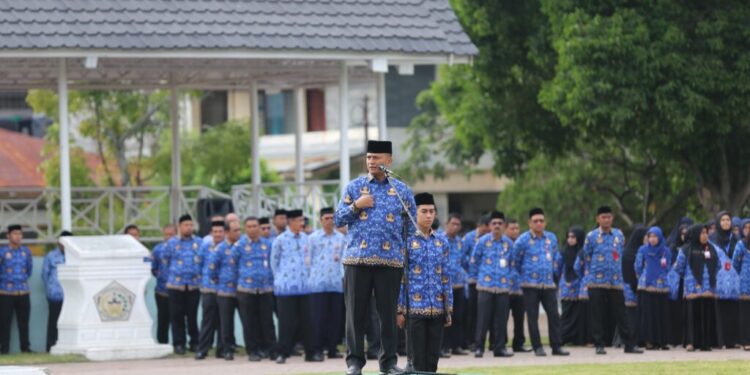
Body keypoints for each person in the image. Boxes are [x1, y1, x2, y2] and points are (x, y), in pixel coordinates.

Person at [334, 140, 416, 375]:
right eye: (369, 158)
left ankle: (388, 363)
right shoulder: (354, 187)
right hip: (357, 261)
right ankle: (354, 363)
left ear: (388, 161)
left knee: (388, 315)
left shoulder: (401, 191)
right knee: (355, 315)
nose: (371, 162)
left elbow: (410, 228)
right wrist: (356, 206)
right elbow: (338, 219)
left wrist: (407, 255)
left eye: (377, 158)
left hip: (390, 262)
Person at [396, 193, 452, 372]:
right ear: (414, 212)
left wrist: (448, 307)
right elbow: (400, 279)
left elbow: (446, 276)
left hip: (436, 308)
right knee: (416, 360)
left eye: (431, 211)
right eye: (424, 211)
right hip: (414, 310)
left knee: (433, 359)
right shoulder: (405, 240)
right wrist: (399, 309)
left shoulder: (441, 241)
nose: (429, 215)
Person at [581, 206, 643, 355]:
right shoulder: (591, 236)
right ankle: (599, 344)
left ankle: (629, 345)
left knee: (622, 313)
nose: (606, 220)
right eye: (603, 217)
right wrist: (591, 276)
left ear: (612, 218)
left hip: (615, 281)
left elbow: (619, 253)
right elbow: (586, 256)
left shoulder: (619, 235)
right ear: (598, 219)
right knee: (597, 314)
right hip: (596, 281)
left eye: (609, 217)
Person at [511, 208, 568, 357]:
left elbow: (556, 257)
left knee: (554, 315)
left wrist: (555, 275)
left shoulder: (551, 238)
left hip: (548, 283)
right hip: (530, 285)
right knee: (532, 317)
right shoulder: (522, 240)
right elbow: (515, 262)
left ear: (545, 222)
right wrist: (523, 278)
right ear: (530, 223)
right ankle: (538, 347)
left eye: (541, 221)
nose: (539, 223)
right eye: (535, 221)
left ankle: (556, 346)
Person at [271, 209, 315, 364]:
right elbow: (274, 262)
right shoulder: (280, 240)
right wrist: (280, 279)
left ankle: (311, 353)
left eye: (303, 220)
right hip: (286, 287)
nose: (302, 223)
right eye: (299, 220)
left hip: (305, 287)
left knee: (307, 321)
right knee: (286, 322)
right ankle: (282, 353)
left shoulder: (307, 239)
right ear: (290, 222)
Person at [669, 224, 722, 351]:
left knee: (706, 315)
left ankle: (705, 342)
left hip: (708, 288)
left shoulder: (711, 248)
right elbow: (678, 268)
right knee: (692, 316)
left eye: (706, 233)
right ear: (696, 234)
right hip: (692, 288)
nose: (705, 236)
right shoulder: (687, 249)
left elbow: (718, 265)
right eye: (702, 233)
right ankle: (690, 342)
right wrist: (689, 278)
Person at [469, 211, 514, 358]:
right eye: (494, 223)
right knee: (483, 319)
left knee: (501, 319)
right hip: (485, 286)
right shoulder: (482, 241)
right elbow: (474, 262)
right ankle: (479, 348)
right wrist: (477, 280)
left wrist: (509, 280)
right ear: (489, 226)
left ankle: (499, 348)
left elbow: (513, 264)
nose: (497, 226)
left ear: (504, 226)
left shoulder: (509, 243)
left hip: (502, 287)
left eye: (500, 223)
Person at [308, 207, 347, 360]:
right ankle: (317, 349)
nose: (330, 221)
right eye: (326, 218)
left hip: (336, 283)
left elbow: (344, 260)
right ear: (320, 220)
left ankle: (332, 348)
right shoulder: (313, 238)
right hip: (318, 284)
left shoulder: (341, 238)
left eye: (332, 218)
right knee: (318, 319)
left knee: (335, 319)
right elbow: (308, 260)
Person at [237, 217, 277, 361]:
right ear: (245, 228)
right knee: (249, 323)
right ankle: (253, 351)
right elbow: (233, 265)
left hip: (265, 289)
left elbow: (273, 263)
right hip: (246, 289)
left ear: (259, 228)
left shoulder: (268, 244)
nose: (252, 229)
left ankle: (271, 350)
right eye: (249, 226)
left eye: (255, 226)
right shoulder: (239, 245)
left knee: (267, 322)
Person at [164, 214, 203, 355]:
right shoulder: (172, 243)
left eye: (190, 225)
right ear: (180, 227)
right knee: (176, 315)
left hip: (193, 285)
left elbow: (203, 260)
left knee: (192, 316)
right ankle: (179, 344)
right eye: (186, 225)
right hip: (176, 285)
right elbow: (165, 261)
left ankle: (195, 343)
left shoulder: (199, 242)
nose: (189, 227)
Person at [209, 220, 243, 360]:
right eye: (235, 230)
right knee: (226, 323)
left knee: (247, 321)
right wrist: (221, 281)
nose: (238, 233)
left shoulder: (242, 246)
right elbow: (212, 269)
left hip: (242, 290)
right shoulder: (220, 248)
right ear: (228, 232)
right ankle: (226, 349)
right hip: (225, 291)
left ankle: (254, 347)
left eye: (239, 230)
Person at [634, 226, 671, 350]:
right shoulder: (643, 250)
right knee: (648, 315)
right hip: (646, 286)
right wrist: (644, 278)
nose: (653, 239)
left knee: (661, 314)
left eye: (655, 236)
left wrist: (661, 278)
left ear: (660, 237)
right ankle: (649, 340)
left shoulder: (666, 251)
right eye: (650, 236)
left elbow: (668, 267)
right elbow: (637, 267)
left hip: (662, 286)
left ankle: (662, 341)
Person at [195, 220, 226, 359]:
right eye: (215, 232)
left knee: (223, 321)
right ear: (211, 233)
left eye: (220, 231)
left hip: (225, 290)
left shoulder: (229, 247)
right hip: (209, 289)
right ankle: (203, 349)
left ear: (224, 233)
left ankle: (222, 349)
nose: (218, 234)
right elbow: (199, 264)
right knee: (208, 321)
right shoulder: (205, 246)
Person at [0, 224, 33, 354]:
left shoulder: (26, 251)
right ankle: (4, 349)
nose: (18, 236)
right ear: (8, 236)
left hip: (23, 291)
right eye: (14, 234)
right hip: (5, 292)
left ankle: (25, 348)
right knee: (4, 322)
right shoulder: (2, 252)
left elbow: (29, 270)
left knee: (24, 322)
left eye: (20, 234)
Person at [709, 211, 740, 349]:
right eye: (723, 220)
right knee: (719, 310)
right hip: (718, 279)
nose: (726, 222)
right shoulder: (712, 239)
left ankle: (731, 341)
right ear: (718, 222)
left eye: (728, 219)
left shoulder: (736, 239)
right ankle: (719, 340)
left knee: (732, 310)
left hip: (733, 280)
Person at [461, 213, 490, 350]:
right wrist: (470, 268)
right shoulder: (469, 237)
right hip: (473, 280)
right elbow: (462, 256)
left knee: (484, 313)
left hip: (487, 281)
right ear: (480, 225)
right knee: (472, 312)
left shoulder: (490, 238)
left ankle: (484, 341)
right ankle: (470, 341)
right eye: (486, 226)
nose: (487, 229)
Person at [441, 213, 467, 356]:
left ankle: (456, 346)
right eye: (453, 224)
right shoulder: (440, 240)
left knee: (458, 317)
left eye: (458, 224)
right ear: (447, 224)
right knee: (445, 317)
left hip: (459, 285)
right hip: (445, 286)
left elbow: (464, 262)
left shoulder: (460, 242)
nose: (455, 227)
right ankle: (444, 347)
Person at [42, 230, 72, 352]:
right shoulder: (51, 256)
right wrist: (50, 289)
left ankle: (68, 347)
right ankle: (50, 347)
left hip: (72, 297)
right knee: (53, 322)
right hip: (55, 295)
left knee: (69, 322)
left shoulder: (76, 257)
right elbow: (44, 275)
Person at [560, 227, 588, 346]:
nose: (570, 240)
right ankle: (562, 337)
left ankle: (577, 338)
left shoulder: (583, 252)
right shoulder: (562, 252)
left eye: (573, 237)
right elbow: (557, 269)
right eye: (568, 237)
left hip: (579, 287)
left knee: (578, 314)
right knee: (566, 313)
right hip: (566, 287)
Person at [504, 218, 528, 353]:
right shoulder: (501, 243)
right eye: (512, 228)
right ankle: (500, 343)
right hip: (504, 288)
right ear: (506, 229)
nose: (515, 231)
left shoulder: (523, 244)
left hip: (519, 288)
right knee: (502, 318)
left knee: (519, 318)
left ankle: (518, 344)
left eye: (517, 228)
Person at [621, 225, 647, 348]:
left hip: (639, 287)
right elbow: (628, 273)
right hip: (629, 288)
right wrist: (634, 286)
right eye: (646, 236)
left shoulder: (642, 251)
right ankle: (630, 341)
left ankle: (638, 340)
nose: (648, 238)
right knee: (630, 316)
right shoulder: (628, 253)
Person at [667, 221, 690, 347]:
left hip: (687, 281)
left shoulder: (691, 247)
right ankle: (674, 338)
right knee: (675, 311)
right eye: (682, 234)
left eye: (686, 234)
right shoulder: (673, 246)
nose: (683, 236)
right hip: (675, 282)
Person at [151, 224, 176, 344]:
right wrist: (162, 277)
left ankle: (179, 344)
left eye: (171, 234)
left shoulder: (181, 248)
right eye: (166, 234)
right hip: (162, 291)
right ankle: (162, 343)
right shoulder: (157, 249)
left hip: (178, 291)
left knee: (177, 319)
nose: (169, 237)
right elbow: (153, 268)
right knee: (163, 319)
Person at [732, 229, 750, 350]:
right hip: (745, 285)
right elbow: (735, 265)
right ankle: (746, 341)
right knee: (745, 315)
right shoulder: (741, 245)